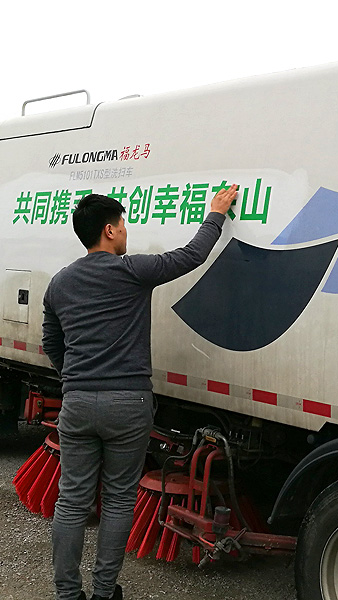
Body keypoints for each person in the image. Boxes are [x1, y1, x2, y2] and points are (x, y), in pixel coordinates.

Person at [41, 185, 241, 600]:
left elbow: (52, 342)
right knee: (117, 500)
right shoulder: (132, 271)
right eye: (124, 224)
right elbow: (192, 255)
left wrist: (75, 379)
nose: (126, 232)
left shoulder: (59, 283)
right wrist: (216, 213)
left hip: (77, 402)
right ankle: (104, 592)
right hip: (128, 403)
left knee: (72, 502)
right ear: (110, 230)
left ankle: (67, 594)